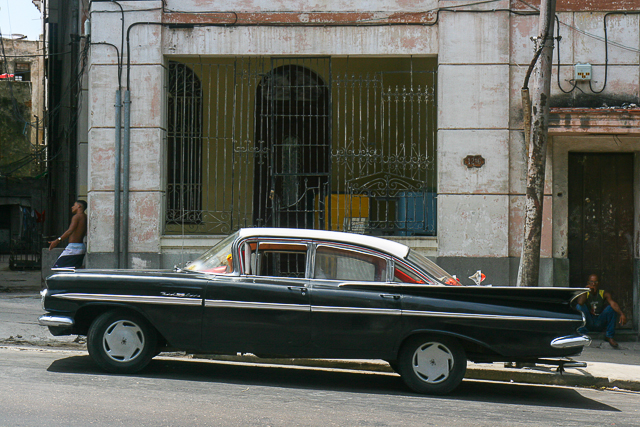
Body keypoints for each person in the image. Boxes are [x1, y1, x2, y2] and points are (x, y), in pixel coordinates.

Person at [576, 274, 627, 348]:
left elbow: (613, 303)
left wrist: (622, 314)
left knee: (611, 308)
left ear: (599, 283)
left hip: (599, 322)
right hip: (588, 322)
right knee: (579, 306)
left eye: (596, 282)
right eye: (591, 282)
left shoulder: (603, 293)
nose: (593, 284)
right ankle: (582, 335)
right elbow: (580, 303)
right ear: (588, 283)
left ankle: (609, 336)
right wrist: (585, 290)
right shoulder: (585, 293)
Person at [48, 200, 88, 269]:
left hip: (73, 248)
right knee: (73, 269)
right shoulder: (85, 217)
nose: (72, 207)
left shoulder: (76, 217)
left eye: (74, 205)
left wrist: (57, 240)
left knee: (58, 268)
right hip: (81, 247)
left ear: (79, 206)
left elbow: (70, 231)